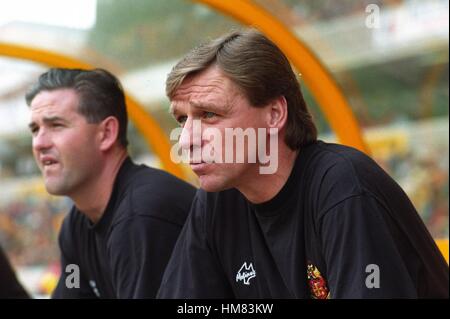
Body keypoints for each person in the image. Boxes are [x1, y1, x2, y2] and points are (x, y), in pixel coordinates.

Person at [157, 29, 449, 298]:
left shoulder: (343, 186)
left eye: (209, 114)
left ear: (274, 114)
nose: (185, 141)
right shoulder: (216, 200)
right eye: (182, 120)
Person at [26, 68, 196, 298]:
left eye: (56, 125)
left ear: (106, 133)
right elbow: (73, 290)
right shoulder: (76, 227)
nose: (39, 143)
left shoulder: (142, 214)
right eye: (35, 129)